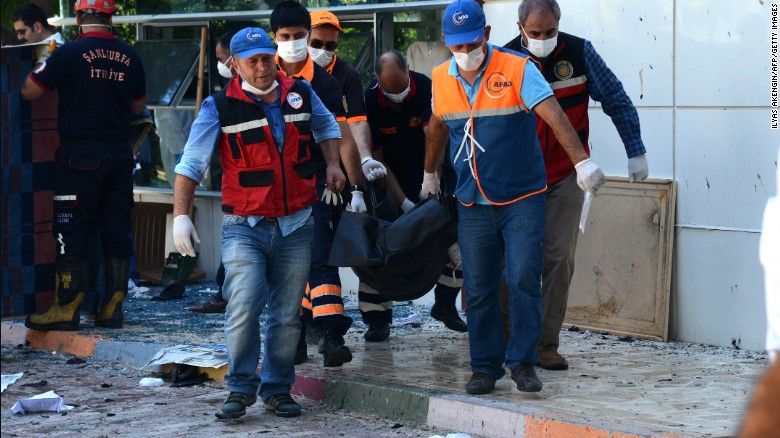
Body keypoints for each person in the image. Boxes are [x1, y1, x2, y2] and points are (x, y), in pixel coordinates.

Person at [423, 0, 605, 395]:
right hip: (472, 200)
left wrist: (582, 163)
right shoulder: (441, 77)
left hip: (522, 196)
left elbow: (554, 114)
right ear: (445, 42)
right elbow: (436, 126)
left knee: (523, 276)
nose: (465, 53)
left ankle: (524, 362)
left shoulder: (517, 68)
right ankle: (484, 367)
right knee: (480, 284)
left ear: (486, 35)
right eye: (457, 46)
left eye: (471, 43)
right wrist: (429, 174)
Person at [171, 27, 344, 418]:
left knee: (286, 315)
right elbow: (192, 163)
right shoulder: (219, 106)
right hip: (244, 226)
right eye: (253, 61)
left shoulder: (298, 91)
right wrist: (180, 215)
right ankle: (240, 389)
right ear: (235, 65)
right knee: (244, 305)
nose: (263, 67)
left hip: (297, 223)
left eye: (268, 58)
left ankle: (278, 389)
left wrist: (333, 163)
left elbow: (328, 126)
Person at [503, 0, 649, 371]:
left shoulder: (580, 52)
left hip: (568, 174)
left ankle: (545, 344)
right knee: (515, 264)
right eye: (534, 34)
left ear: (559, 25)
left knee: (559, 258)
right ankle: (508, 338)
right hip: (517, 179)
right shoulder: (503, 60)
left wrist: (635, 150)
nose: (543, 39)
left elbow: (615, 97)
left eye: (549, 32)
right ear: (520, 29)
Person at [21, 0, 146, 331]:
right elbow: (138, 106)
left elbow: (30, 90)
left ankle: (66, 306)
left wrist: (44, 60)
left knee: (70, 228)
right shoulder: (130, 56)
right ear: (111, 16)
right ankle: (112, 306)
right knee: (116, 229)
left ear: (78, 17)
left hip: (79, 157)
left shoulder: (69, 53)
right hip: (120, 156)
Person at [270, 0, 362, 368]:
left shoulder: (323, 83)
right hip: (271, 188)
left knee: (320, 258)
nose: (294, 43)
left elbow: (339, 135)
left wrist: (349, 184)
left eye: (299, 36)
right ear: (274, 37)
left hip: (316, 184)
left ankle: (331, 336)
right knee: (285, 266)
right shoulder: (260, 73)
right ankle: (295, 336)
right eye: (286, 37)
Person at [359, 50, 467, 341]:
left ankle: (445, 305)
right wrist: (404, 203)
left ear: (408, 72)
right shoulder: (370, 101)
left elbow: (434, 139)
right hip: (389, 181)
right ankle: (377, 319)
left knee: (452, 241)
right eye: (389, 91)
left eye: (401, 87)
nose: (398, 96)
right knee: (379, 253)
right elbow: (379, 159)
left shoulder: (426, 88)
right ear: (377, 82)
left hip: (430, 173)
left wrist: (431, 186)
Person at [187, 30, 236, 314]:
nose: (220, 65)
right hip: (233, 183)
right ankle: (223, 293)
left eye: (221, 59)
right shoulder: (221, 99)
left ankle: (225, 293)